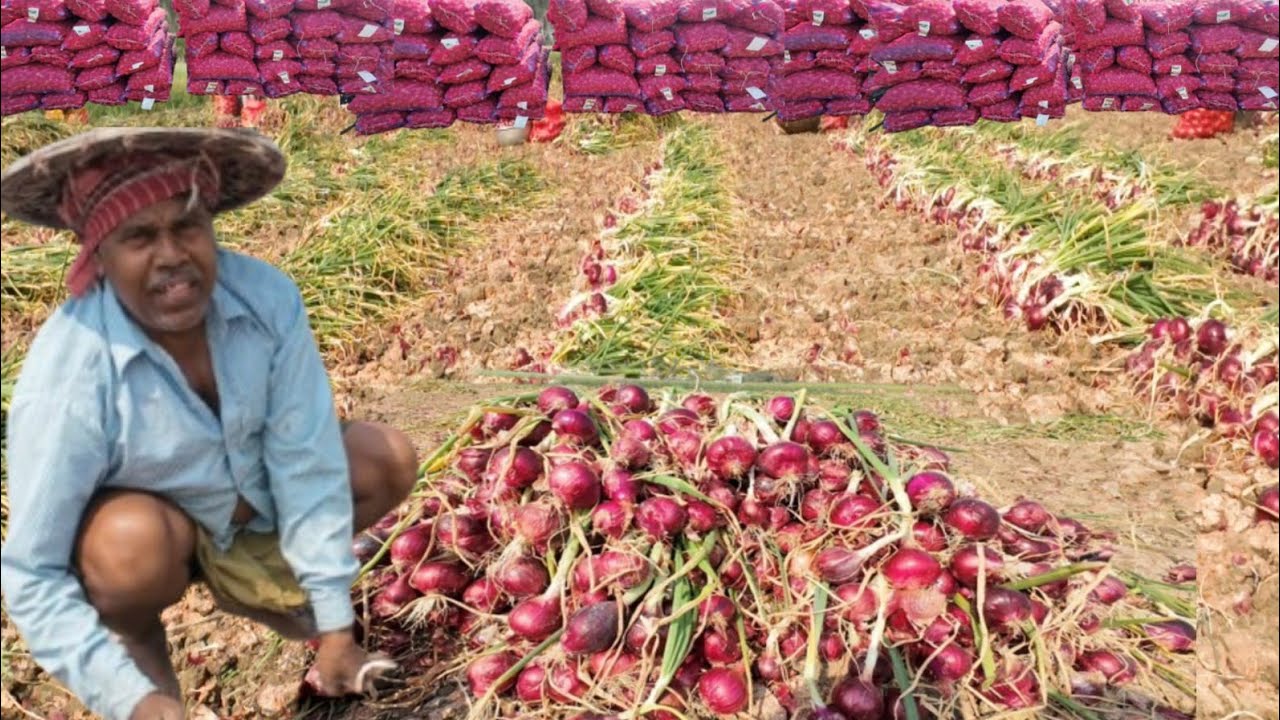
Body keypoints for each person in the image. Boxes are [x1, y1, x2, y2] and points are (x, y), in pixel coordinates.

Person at [0, 128, 418, 720]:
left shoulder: (265, 298)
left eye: (186, 227)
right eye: (139, 237)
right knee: (128, 546)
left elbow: (307, 460)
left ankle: (262, 592)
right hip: (151, 539)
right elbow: (32, 572)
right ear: (100, 255)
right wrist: (135, 702)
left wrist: (335, 631)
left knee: (384, 456)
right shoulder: (70, 368)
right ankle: (143, 656)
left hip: (254, 511)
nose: (171, 254)